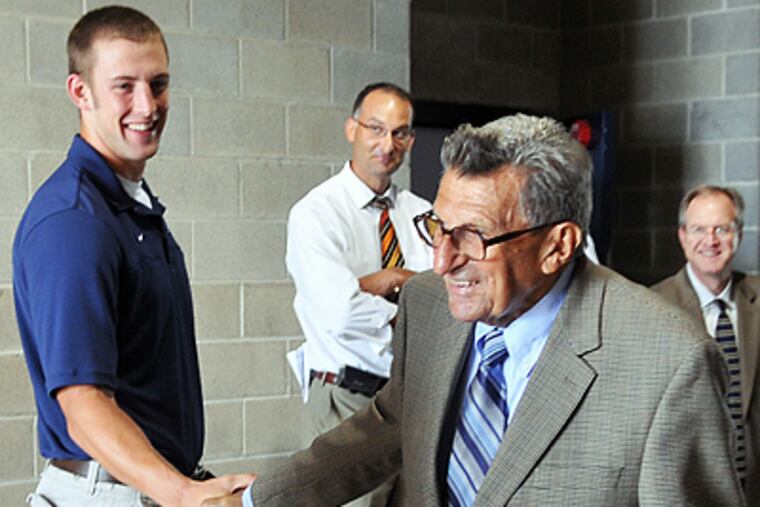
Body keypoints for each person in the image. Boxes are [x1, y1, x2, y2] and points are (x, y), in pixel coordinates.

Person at [204, 114, 744, 506]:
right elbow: (390, 425)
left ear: (558, 244)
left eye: (473, 236)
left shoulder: (671, 363)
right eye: (438, 227)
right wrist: (256, 501)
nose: (441, 262)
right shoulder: (429, 307)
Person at [13, 6, 252, 506]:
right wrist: (185, 494)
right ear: (81, 91)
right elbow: (83, 405)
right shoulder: (75, 221)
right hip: (106, 493)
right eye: (125, 85)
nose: (147, 104)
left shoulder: (128, 206)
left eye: (159, 84)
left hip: (146, 486)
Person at [284, 82, 432, 506]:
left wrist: (379, 283)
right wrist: (394, 287)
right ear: (352, 129)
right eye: (376, 128)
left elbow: (445, 298)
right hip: (347, 399)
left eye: (400, 133)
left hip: (411, 400)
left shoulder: (423, 214)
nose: (388, 144)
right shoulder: (316, 214)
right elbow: (341, 313)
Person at [652, 185, 760, 504]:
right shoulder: (654, 307)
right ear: (683, 236)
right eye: (699, 229)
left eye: (721, 229)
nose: (710, 241)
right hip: (689, 489)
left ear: (738, 234)